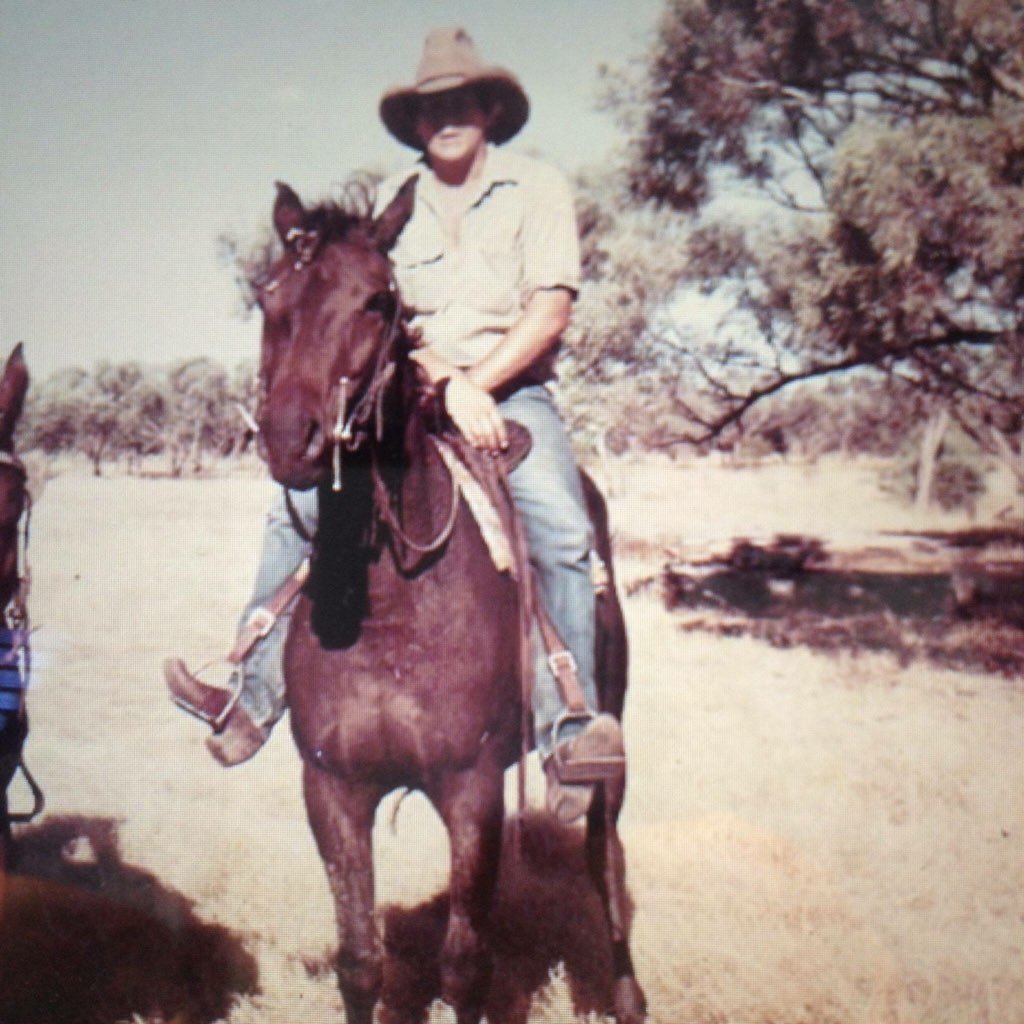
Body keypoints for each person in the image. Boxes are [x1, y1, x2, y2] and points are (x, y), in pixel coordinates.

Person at [165, 26, 624, 824]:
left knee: (557, 522)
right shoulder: (389, 208)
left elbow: (550, 310)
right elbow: (372, 316)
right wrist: (444, 385)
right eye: (428, 107)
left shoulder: (536, 187)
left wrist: (480, 385)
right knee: (295, 509)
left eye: (460, 102)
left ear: (489, 109)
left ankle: (569, 728)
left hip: (512, 395)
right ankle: (250, 688)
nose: (444, 117)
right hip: (408, 391)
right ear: (414, 121)